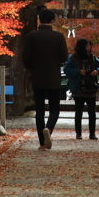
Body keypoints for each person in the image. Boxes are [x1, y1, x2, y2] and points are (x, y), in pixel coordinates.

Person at [23, 8, 68, 150]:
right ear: (52, 21)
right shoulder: (58, 37)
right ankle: (48, 128)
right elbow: (64, 57)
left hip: (37, 77)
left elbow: (26, 57)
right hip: (53, 77)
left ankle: (42, 143)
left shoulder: (31, 36)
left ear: (39, 19)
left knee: (40, 111)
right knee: (55, 108)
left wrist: (32, 68)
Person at [64, 38, 99, 140]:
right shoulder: (73, 58)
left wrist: (97, 71)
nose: (89, 48)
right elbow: (67, 70)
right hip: (79, 88)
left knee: (92, 112)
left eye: (89, 46)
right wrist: (78, 72)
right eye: (87, 46)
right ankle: (78, 133)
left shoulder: (92, 58)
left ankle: (92, 133)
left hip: (91, 87)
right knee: (79, 112)